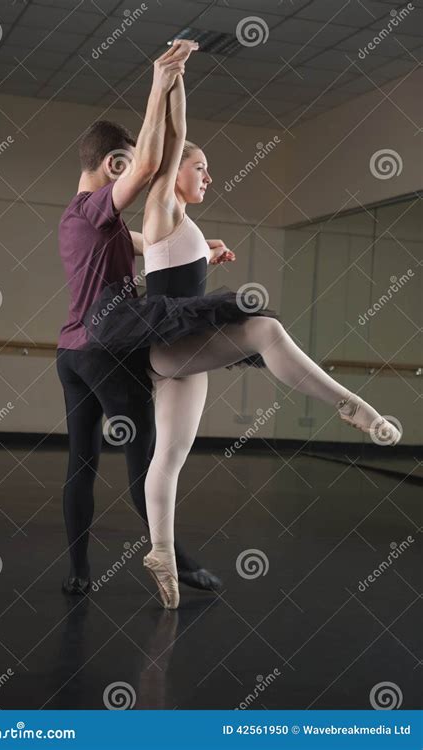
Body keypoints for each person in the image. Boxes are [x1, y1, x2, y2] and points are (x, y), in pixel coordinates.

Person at [83, 41, 402, 609]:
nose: (209, 175)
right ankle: (351, 405)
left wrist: (208, 257)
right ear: (174, 172)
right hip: (174, 341)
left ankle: (161, 550)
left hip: (179, 349)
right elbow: (174, 136)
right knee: (263, 330)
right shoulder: (161, 200)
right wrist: (171, 78)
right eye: (200, 168)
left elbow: (176, 267)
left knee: (170, 456)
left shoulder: (180, 221)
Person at [56, 40, 222, 596]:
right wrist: (159, 83)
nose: (134, 178)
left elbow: (150, 245)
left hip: (70, 356)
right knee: (145, 455)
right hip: (101, 354)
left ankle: (79, 574)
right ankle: (173, 559)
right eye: (124, 168)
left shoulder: (80, 223)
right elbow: (152, 162)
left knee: (82, 464)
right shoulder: (92, 206)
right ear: (111, 165)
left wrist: (204, 247)